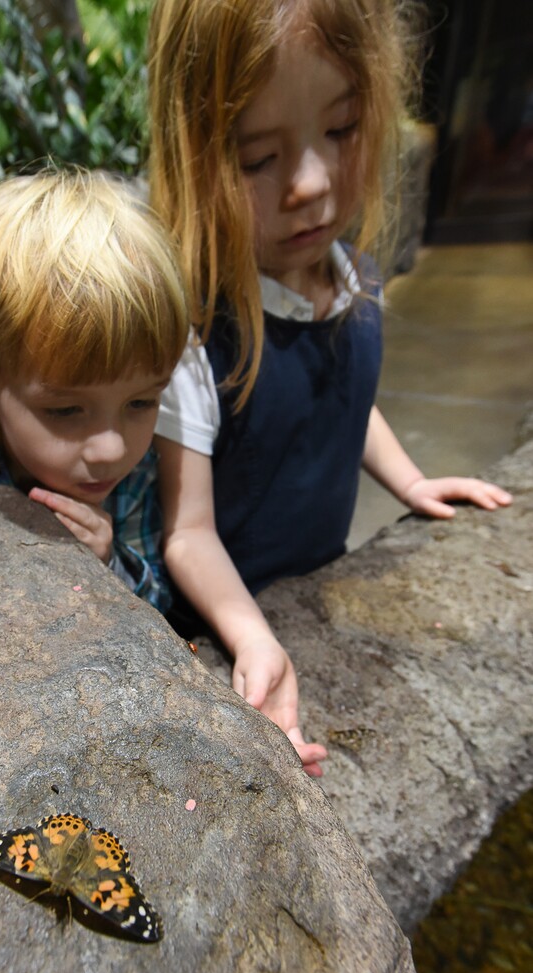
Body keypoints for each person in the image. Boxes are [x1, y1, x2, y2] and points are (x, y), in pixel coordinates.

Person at [147, 0, 512, 776]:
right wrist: (249, 634)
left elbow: (344, 397)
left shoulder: (351, 279)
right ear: (194, 156)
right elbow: (187, 531)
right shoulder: (196, 340)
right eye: (256, 158)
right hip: (226, 632)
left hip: (325, 586)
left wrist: (409, 478)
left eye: (340, 129)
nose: (309, 184)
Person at [0, 169, 189, 613]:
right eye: (65, 410)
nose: (111, 446)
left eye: (141, 402)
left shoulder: (132, 475)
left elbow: (160, 606)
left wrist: (108, 562)